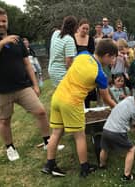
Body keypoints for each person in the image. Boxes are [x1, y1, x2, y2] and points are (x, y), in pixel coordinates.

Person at [41, 39, 118, 177]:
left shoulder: (83, 54)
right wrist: (117, 107)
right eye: (113, 58)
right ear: (107, 55)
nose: (112, 61)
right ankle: (85, 167)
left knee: (56, 133)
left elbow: (75, 68)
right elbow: (106, 98)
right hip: (72, 102)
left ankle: (49, 165)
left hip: (57, 96)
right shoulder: (100, 75)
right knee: (80, 136)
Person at [0, 7, 51, 161]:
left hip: (23, 86)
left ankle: (48, 141)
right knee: (4, 120)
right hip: (2, 90)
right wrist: (3, 42)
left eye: (4, 21)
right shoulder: (7, 40)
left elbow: (27, 63)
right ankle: (10, 148)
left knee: (41, 112)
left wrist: (35, 85)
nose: (1, 24)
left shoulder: (17, 40)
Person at [99, 87, 135, 181]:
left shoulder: (128, 98)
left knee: (105, 148)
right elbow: (134, 125)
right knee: (131, 149)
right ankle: (127, 175)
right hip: (117, 132)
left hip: (106, 128)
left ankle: (102, 165)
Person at [48, 16, 77, 87]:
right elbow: (69, 63)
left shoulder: (55, 33)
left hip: (52, 70)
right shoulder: (69, 40)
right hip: (61, 73)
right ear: (74, 27)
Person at [74, 18, 96, 108]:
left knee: (86, 90)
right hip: (75, 67)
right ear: (79, 27)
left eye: (87, 29)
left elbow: (92, 54)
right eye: (83, 28)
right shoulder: (72, 37)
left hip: (86, 67)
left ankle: (87, 109)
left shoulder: (90, 39)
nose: (85, 31)